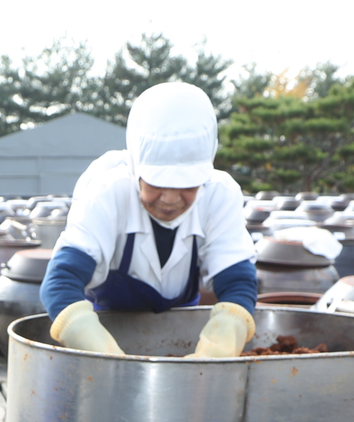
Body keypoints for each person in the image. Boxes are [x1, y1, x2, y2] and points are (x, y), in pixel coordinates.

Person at [39, 82, 258, 358]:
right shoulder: (107, 193)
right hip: (104, 334)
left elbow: (237, 281)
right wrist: (100, 352)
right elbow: (61, 281)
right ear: (135, 167)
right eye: (156, 183)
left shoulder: (218, 194)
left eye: (187, 185)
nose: (169, 198)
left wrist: (223, 339)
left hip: (182, 340)